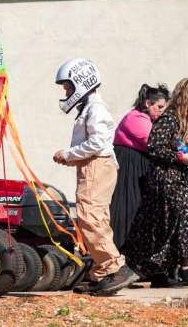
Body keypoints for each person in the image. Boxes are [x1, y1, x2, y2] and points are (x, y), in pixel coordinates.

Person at [52, 58, 139, 295]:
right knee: (96, 218)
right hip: (94, 165)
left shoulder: (96, 108)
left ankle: (114, 266)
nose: (66, 91)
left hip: (97, 166)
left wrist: (68, 154)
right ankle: (101, 272)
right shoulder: (89, 107)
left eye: (68, 86)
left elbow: (98, 142)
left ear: (81, 83)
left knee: (89, 216)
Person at [123, 78, 188, 287]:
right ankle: (185, 269)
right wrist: (179, 157)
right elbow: (154, 148)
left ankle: (160, 273)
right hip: (168, 180)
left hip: (186, 182)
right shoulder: (169, 120)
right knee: (186, 221)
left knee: (168, 228)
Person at [110, 84, 170, 248]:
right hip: (129, 166)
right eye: (159, 107)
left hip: (138, 165)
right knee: (127, 208)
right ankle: (120, 253)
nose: (161, 111)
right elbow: (155, 142)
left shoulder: (147, 120)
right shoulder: (135, 119)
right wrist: (179, 153)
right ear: (147, 104)